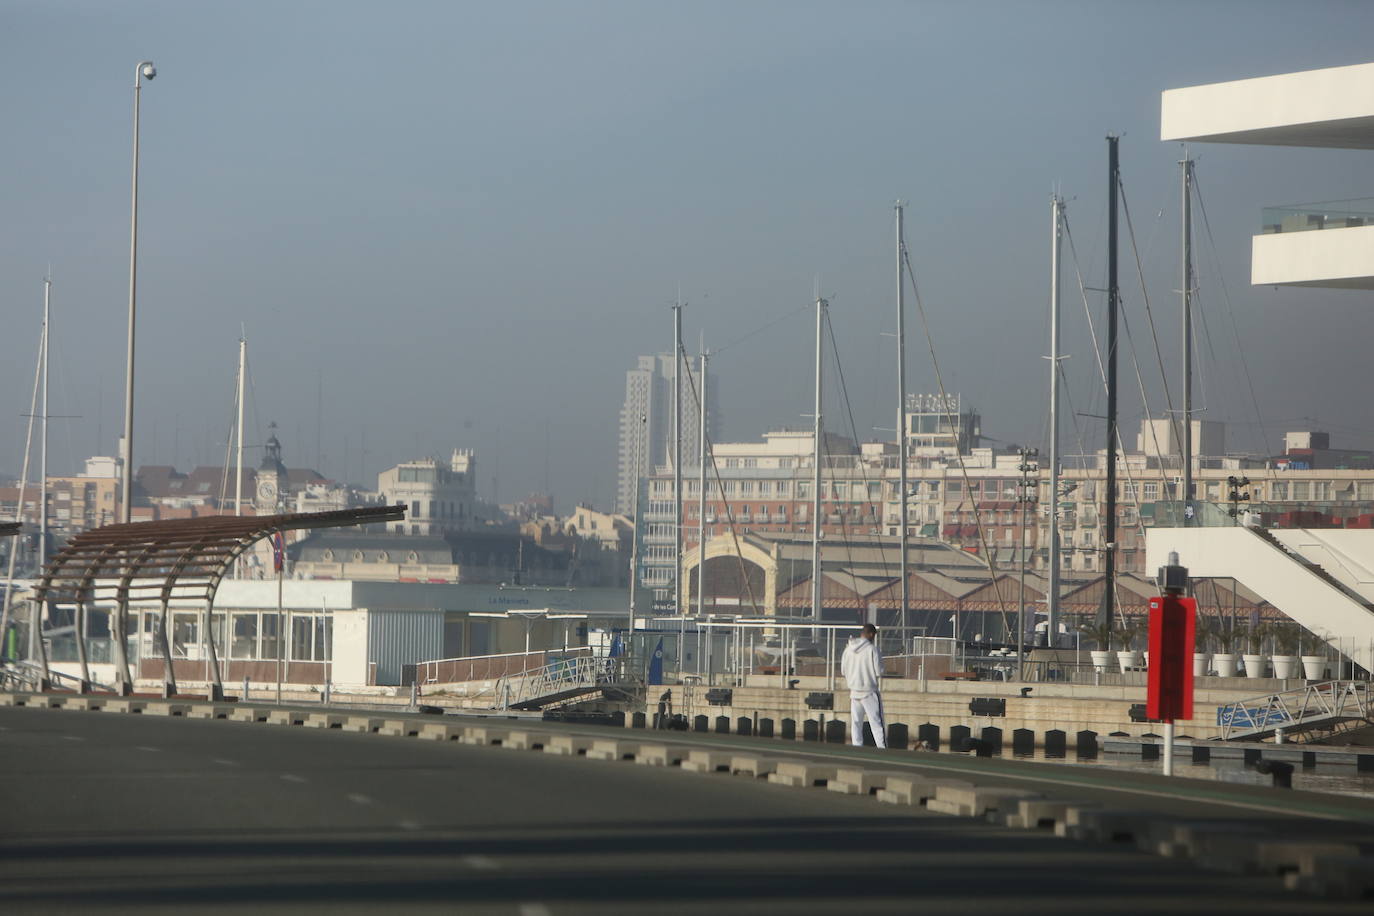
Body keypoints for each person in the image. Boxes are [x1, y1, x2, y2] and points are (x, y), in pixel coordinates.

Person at [841, 623, 886, 749]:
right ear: (871, 634)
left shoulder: (848, 649)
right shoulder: (872, 649)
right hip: (869, 691)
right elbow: (879, 671)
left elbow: (843, 671)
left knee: (856, 724)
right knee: (877, 724)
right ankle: (882, 750)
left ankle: (856, 749)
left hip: (854, 691)